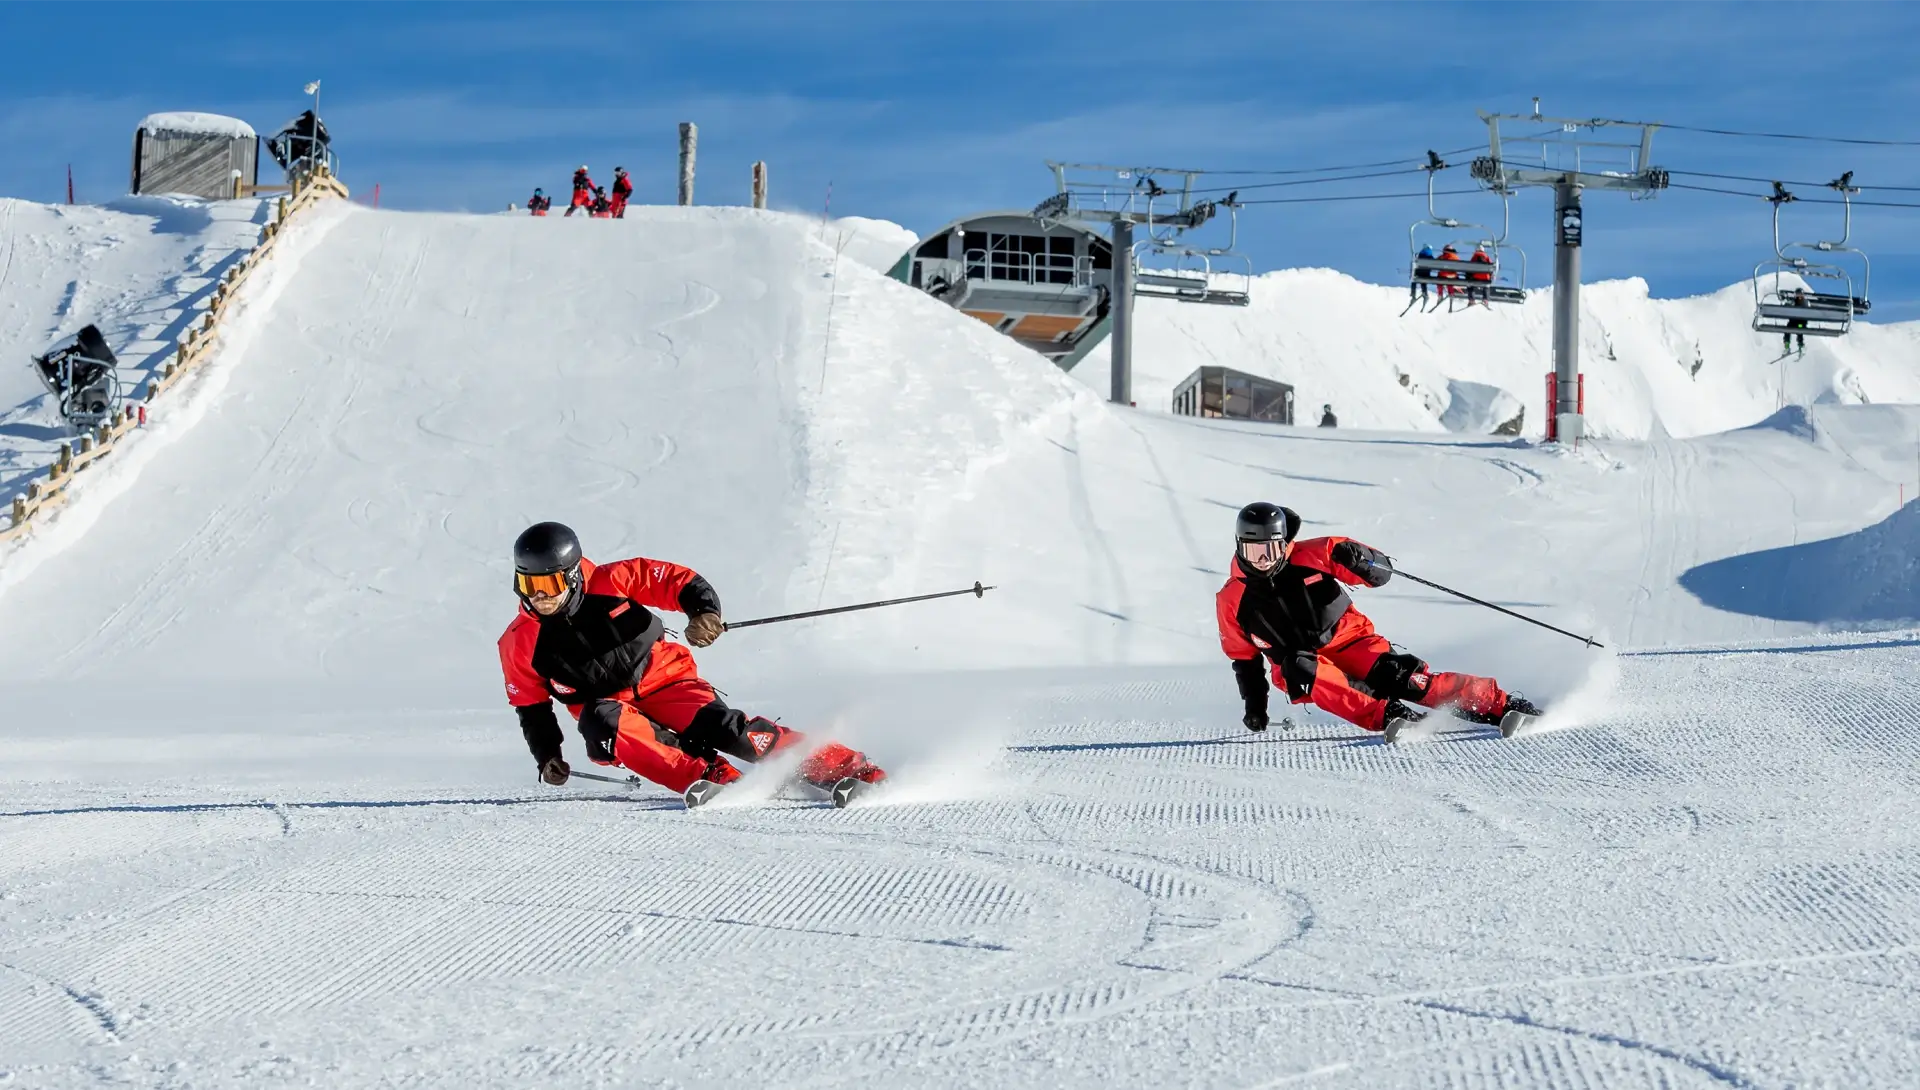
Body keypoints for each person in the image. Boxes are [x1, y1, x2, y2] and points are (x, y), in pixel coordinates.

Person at [498, 522, 886, 802]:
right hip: (612, 714)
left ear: (573, 577)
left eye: (549, 585)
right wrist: (547, 756)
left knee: (732, 732)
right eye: (529, 586)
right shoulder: (519, 641)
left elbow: (677, 582)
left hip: (668, 683)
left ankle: (848, 768)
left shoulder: (613, 580)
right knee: (603, 719)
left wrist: (704, 614)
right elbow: (532, 709)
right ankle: (712, 776)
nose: (540, 597)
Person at [1216, 502, 1539, 738]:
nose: (1262, 561)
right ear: (1239, 546)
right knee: (1301, 668)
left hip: (1353, 643)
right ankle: (1389, 715)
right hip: (1300, 665)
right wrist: (1255, 708)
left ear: (1285, 543)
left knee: (1406, 680)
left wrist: (1359, 559)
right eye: (1253, 551)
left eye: (1270, 551)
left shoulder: (1317, 554)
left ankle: (1500, 705)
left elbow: (1379, 574)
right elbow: (1244, 661)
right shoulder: (1232, 598)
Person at [1408, 244, 1436, 309]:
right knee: (1423, 281)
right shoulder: (1430, 256)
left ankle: (1413, 295)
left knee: (1414, 279)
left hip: (1419, 273)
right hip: (1426, 274)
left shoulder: (1420, 254)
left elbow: (1415, 263)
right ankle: (1425, 293)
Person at [1783, 287, 1809, 355]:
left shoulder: (1804, 302)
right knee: (1787, 329)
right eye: (1797, 294)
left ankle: (1801, 346)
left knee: (1799, 329)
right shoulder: (1794, 301)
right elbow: (1788, 305)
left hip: (1800, 322)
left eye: (1800, 294)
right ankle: (1787, 346)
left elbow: (1806, 309)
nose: (1799, 296)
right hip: (1793, 322)